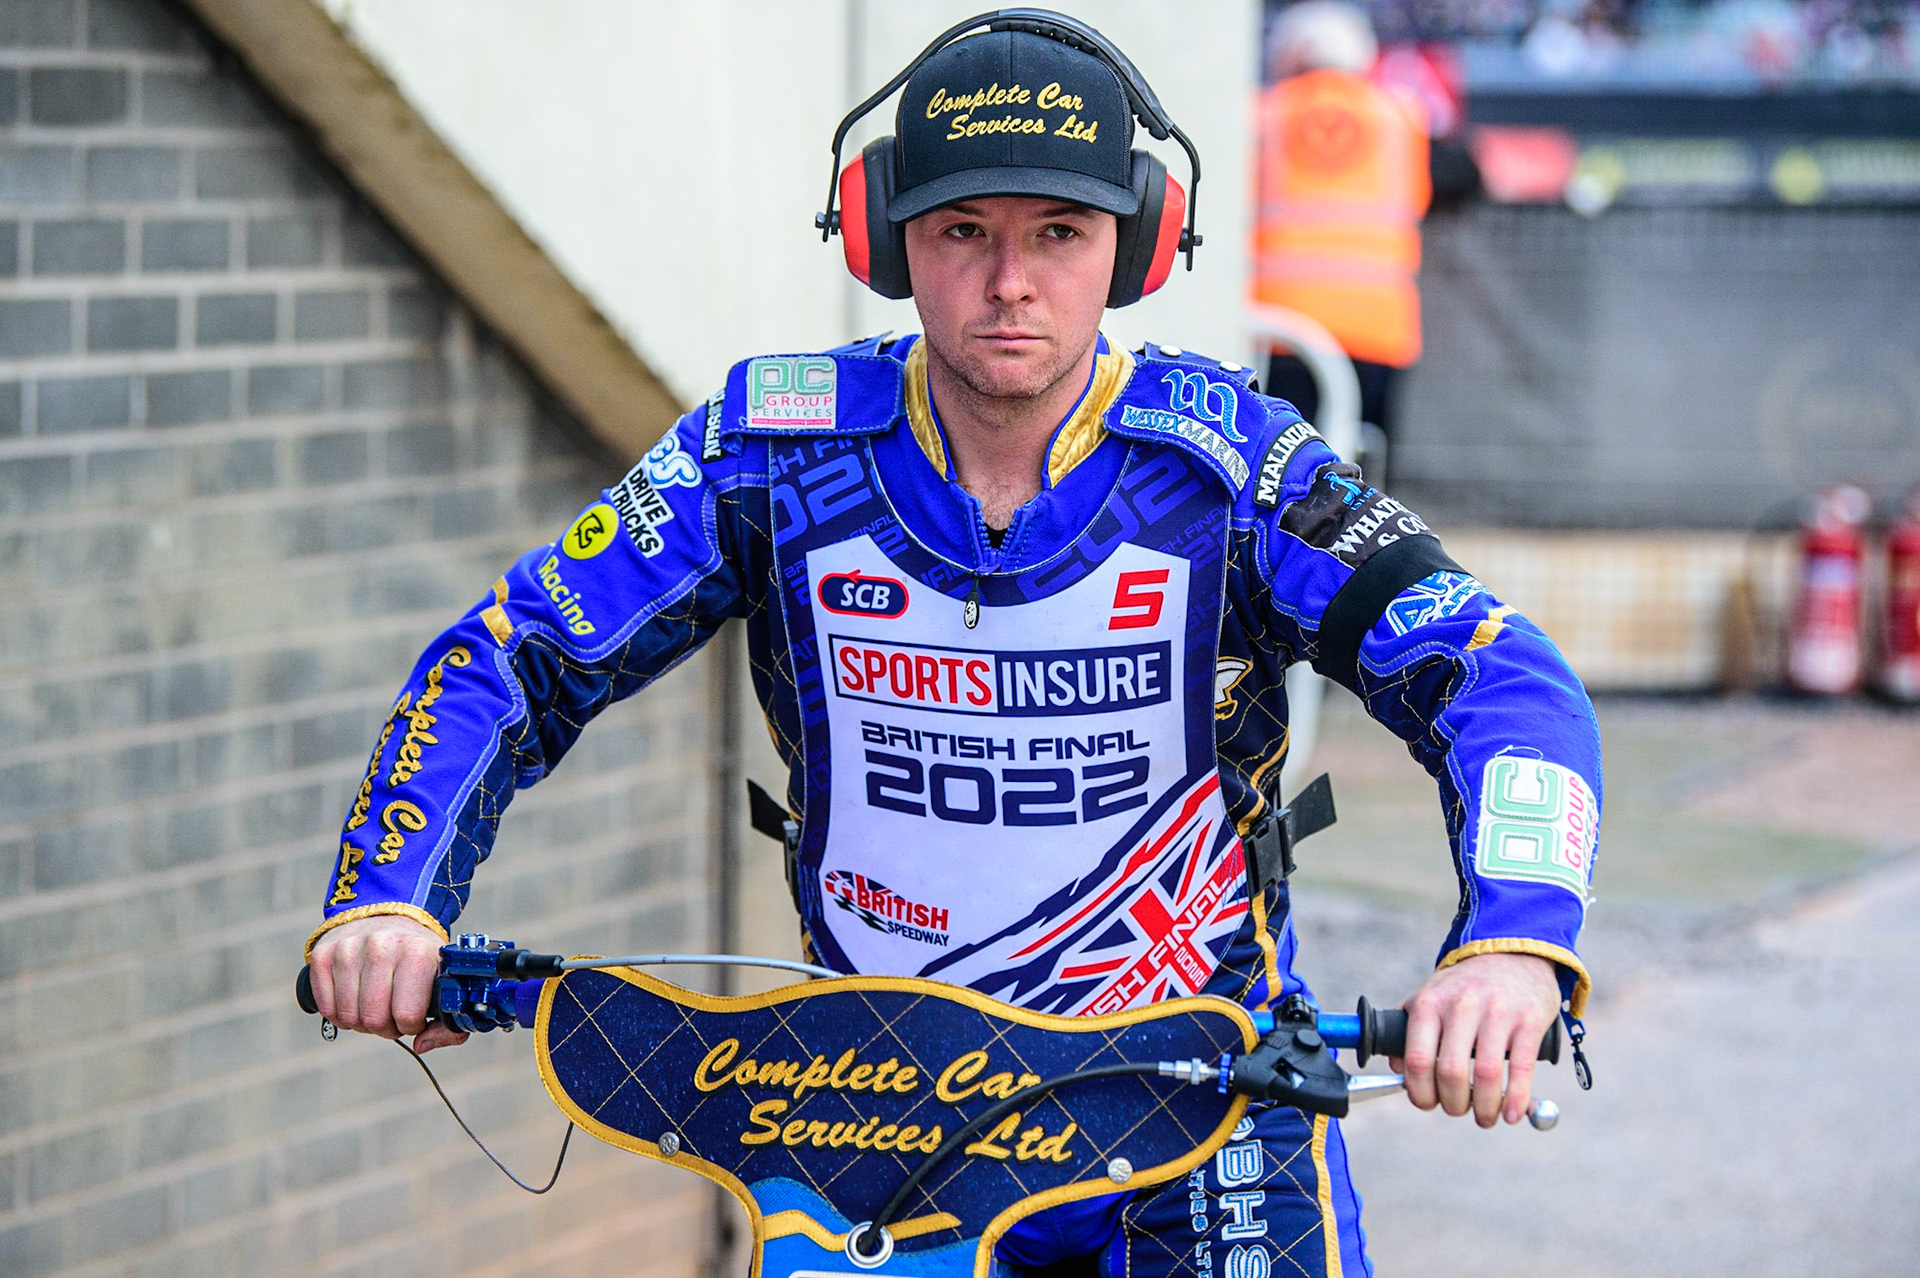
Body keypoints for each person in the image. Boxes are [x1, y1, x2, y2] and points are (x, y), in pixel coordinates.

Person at [306, 15, 1600, 1278]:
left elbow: (1503, 676)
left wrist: (1513, 939)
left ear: (1138, 244)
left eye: (1059, 233)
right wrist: (387, 892)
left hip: (1203, 1109)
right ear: (885, 238)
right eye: (962, 231)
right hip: (880, 1113)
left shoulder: (1234, 471)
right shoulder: (769, 451)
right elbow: (513, 651)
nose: (1010, 280)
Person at [1253, 1, 1430, 458]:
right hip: (1378, 323)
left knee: (1280, 467)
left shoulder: (1262, 115)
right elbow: (1420, 197)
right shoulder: (1400, 116)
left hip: (1282, 325)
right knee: (1363, 470)